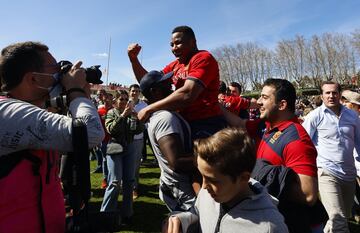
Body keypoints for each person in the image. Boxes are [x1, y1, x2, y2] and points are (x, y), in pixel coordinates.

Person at [0, 41, 104, 233]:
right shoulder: (9, 112)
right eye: (56, 70)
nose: (62, 76)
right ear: (33, 79)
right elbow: (91, 134)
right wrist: (76, 91)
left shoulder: (32, 110)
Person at [224, 78, 319, 233]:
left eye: (265, 97)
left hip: (287, 224)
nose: (259, 101)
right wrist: (214, 105)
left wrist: (260, 180)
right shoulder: (266, 125)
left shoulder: (295, 139)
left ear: (282, 105)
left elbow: (308, 195)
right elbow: (240, 124)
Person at [163, 127, 289, 233]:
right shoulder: (210, 193)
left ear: (244, 178)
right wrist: (182, 220)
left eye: (213, 180)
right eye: (202, 176)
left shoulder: (270, 227)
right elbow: (197, 213)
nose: (204, 186)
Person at [128, 25, 226, 139]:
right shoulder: (175, 65)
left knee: (197, 157)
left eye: (178, 43)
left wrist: (150, 108)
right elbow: (149, 82)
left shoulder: (203, 58)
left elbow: (188, 94)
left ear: (193, 42)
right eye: (172, 45)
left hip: (206, 124)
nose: (174, 48)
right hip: (184, 121)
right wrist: (134, 60)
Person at [303, 82, 360, 233]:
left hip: (349, 174)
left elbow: (359, 143)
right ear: (321, 95)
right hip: (326, 172)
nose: (331, 96)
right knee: (339, 219)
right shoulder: (314, 116)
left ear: (340, 94)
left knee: (339, 218)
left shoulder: (353, 116)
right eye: (327, 93)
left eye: (334, 92)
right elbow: (303, 143)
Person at [139, 70, 197, 212]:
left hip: (178, 186)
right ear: (155, 92)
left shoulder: (163, 114)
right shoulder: (165, 118)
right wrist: (213, 157)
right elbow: (177, 162)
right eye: (165, 84)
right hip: (182, 191)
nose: (171, 86)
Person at [100, 90, 144, 225]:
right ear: (115, 101)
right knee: (114, 182)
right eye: (121, 99)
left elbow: (139, 130)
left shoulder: (131, 113)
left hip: (130, 147)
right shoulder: (111, 113)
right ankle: (106, 213)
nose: (124, 102)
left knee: (129, 181)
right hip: (115, 148)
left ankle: (127, 213)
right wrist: (122, 116)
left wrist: (137, 120)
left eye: (126, 99)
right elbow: (111, 130)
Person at [341, 90, 360, 223]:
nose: (343, 103)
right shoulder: (344, 119)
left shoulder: (356, 120)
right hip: (350, 164)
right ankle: (355, 213)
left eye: (346, 101)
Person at [128, 83, 148, 199]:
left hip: (137, 139)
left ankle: (134, 188)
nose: (134, 93)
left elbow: (146, 122)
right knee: (125, 163)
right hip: (124, 138)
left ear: (139, 93)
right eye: (132, 91)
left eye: (136, 91)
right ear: (129, 92)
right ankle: (125, 185)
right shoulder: (124, 102)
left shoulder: (144, 105)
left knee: (135, 165)